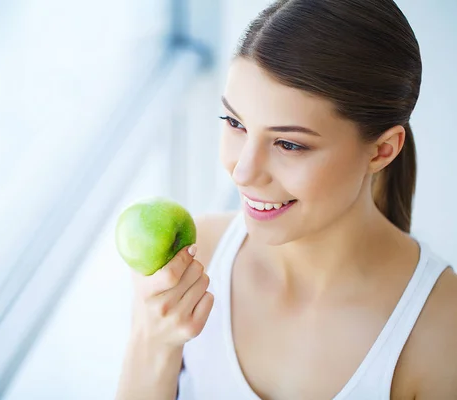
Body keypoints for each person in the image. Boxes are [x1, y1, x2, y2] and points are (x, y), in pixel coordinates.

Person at [115, 0, 457, 399]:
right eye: (235, 123)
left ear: (381, 151)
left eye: (289, 144)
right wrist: (153, 342)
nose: (243, 172)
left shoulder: (440, 331)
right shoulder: (194, 258)